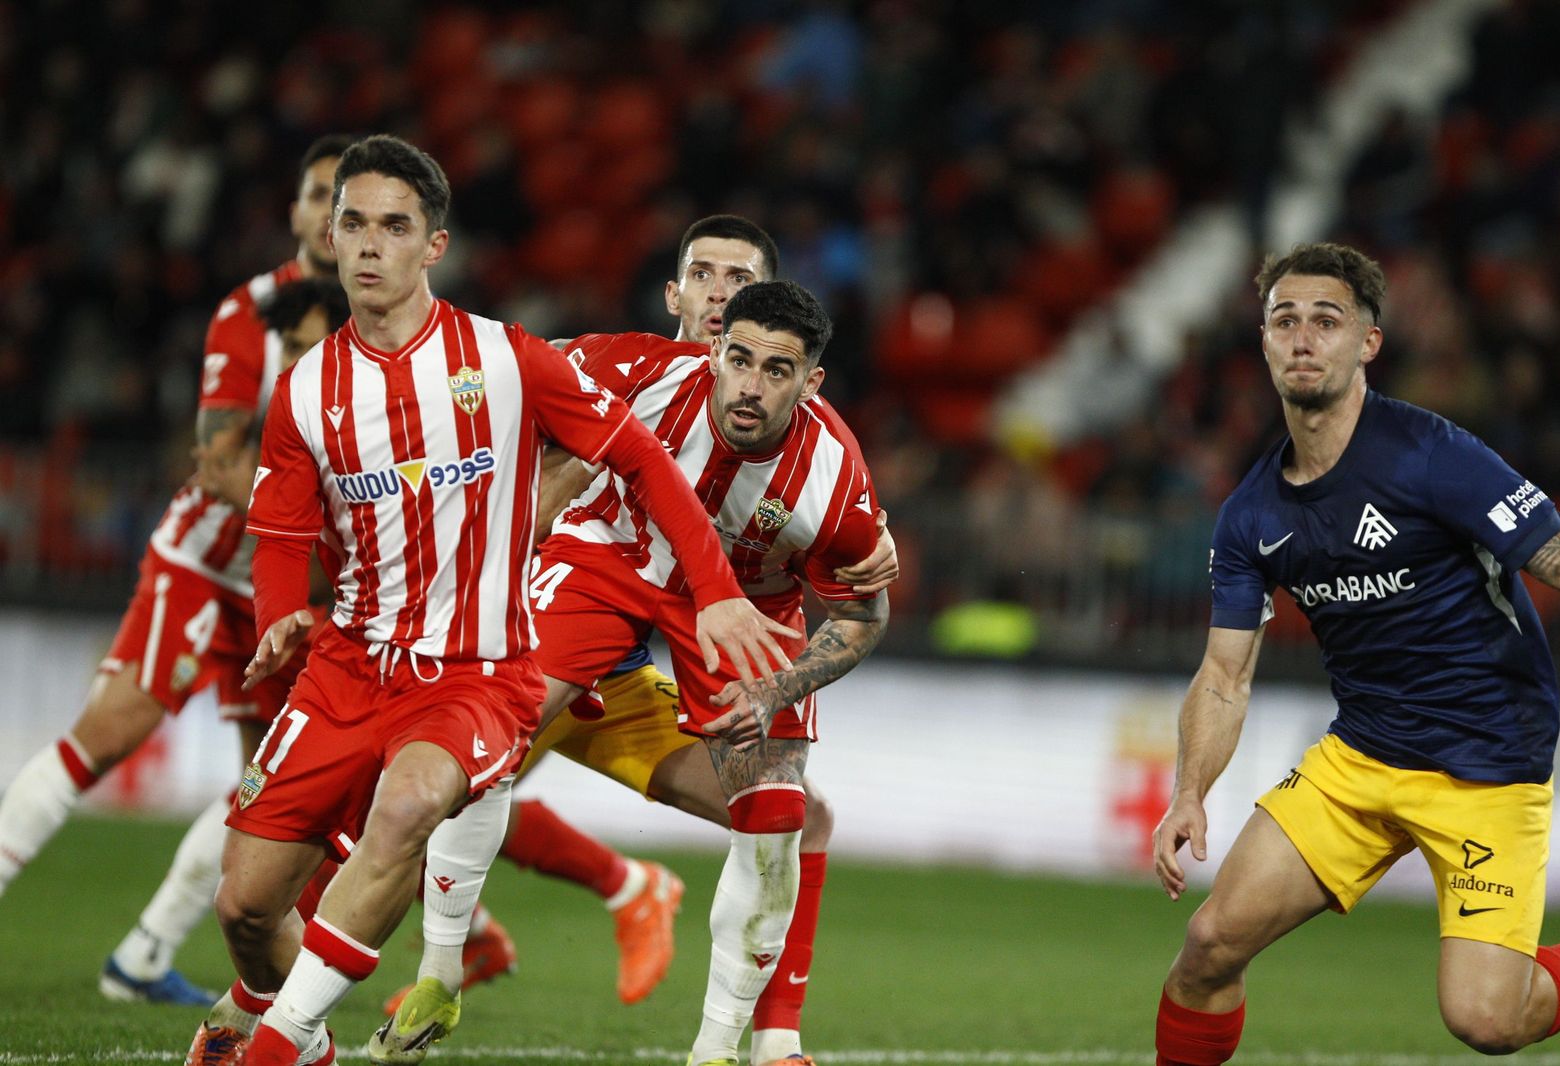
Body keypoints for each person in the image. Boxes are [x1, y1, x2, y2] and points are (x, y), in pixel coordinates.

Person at [181, 133, 793, 1066]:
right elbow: (283, 529)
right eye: (353, 224)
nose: (370, 245)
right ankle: (287, 1014)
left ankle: (292, 1036)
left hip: (477, 668)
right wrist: (275, 620)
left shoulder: (506, 361)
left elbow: (639, 458)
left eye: (395, 226)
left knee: (405, 811)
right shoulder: (308, 390)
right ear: (330, 238)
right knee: (246, 902)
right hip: (348, 663)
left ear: (435, 244)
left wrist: (712, 591)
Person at [374, 219, 895, 1066]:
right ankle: (437, 968)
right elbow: (489, 379)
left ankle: (726, 1049)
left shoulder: (835, 483)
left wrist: (774, 691)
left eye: (778, 368)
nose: (752, 382)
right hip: (607, 565)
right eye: (740, 355)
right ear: (703, 326)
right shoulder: (639, 371)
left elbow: (864, 616)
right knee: (475, 742)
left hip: (741, 613)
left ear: (812, 380)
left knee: (781, 811)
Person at [1149, 242, 1560, 1065]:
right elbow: (1223, 675)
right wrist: (1189, 793)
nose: (1303, 337)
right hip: (1362, 757)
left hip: (1488, 764)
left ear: (1368, 343)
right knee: (1209, 945)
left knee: (1487, 1022)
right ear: (1262, 341)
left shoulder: (1431, 454)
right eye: (1284, 320)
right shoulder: (1250, 515)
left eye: (1327, 319)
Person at [0, 135, 352, 1007]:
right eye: (314, 196)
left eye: (343, 203)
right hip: (208, 559)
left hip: (290, 586)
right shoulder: (252, 311)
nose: (326, 215)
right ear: (298, 212)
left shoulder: (388, 329)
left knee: (263, 785)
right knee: (110, 732)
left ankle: (145, 956)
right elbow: (221, 461)